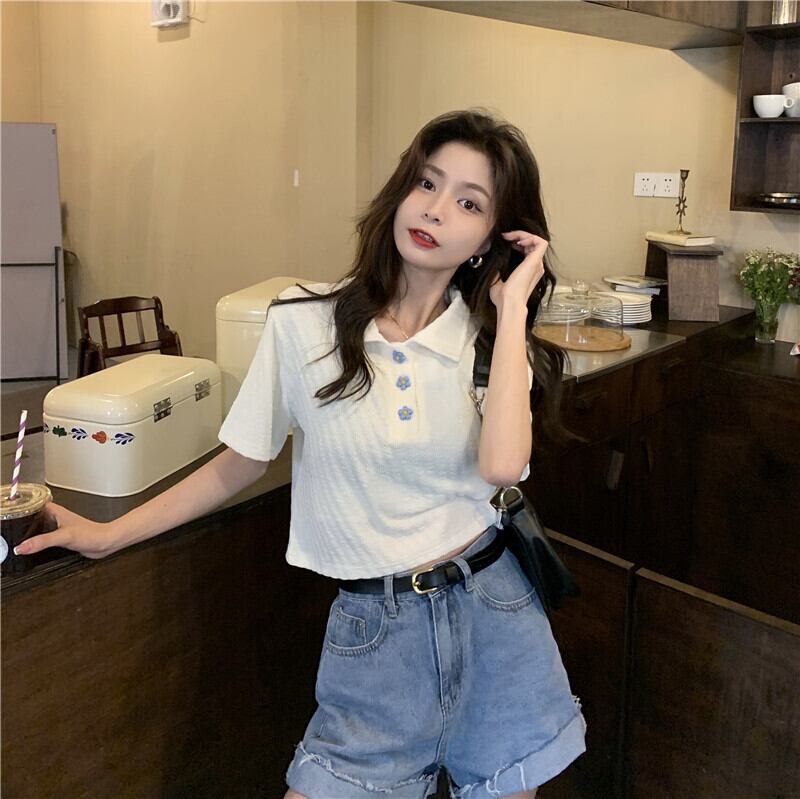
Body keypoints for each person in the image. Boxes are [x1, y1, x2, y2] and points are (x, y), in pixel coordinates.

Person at [18, 108, 587, 799]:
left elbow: (501, 468)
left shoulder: (491, 344)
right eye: (427, 183)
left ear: (488, 240)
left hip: (496, 615)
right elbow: (241, 462)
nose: (436, 210)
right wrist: (109, 535)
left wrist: (514, 306)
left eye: (469, 203)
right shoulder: (303, 321)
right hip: (378, 633)